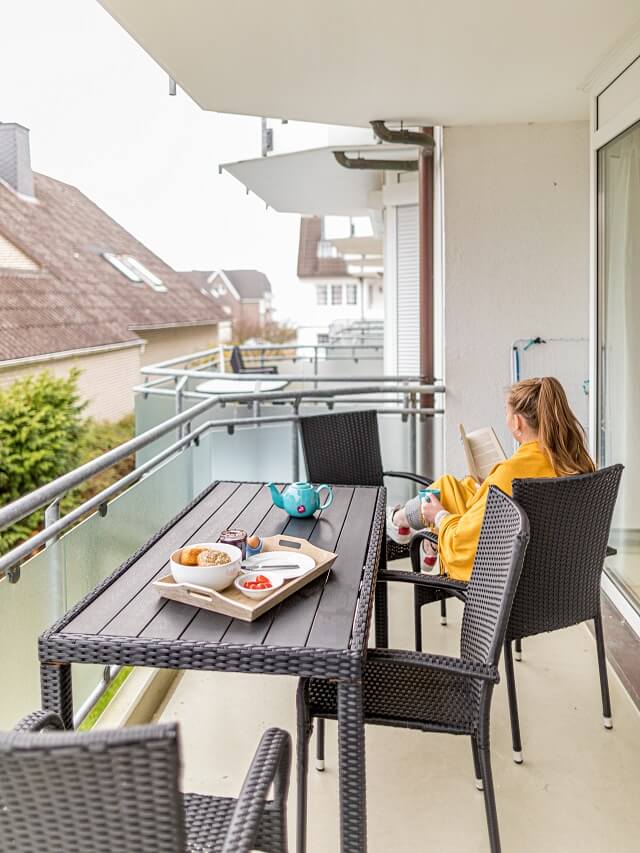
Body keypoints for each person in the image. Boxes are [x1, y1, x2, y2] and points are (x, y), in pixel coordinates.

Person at [388, 377, 595, 582]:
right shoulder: (576, 463)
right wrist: (487, 486)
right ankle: (403, 522)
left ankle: (403, 522)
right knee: (452, 486)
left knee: (444, 498)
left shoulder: (510, 474)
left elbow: (463, 541)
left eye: (507, 412)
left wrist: (440, 517)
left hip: (506, 573)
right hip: (556, 568)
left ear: (517, 422)